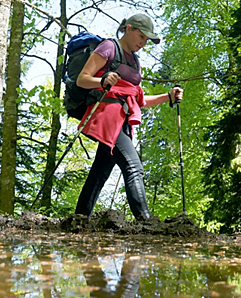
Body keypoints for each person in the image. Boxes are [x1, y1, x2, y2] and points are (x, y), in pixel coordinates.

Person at [74, 13, 183, 221]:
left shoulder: (135, 62)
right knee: (133, 167)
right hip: (106, 118)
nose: (143, 43)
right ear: (130, 28)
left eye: (146, 40)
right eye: (141, 37)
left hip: (123, 121)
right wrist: (103, 80)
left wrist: (167, 96)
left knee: (99, 173)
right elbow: (82, 80)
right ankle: (146, 221)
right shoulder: (109, 47)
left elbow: (138, 99)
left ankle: (79, 220)